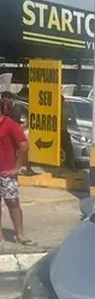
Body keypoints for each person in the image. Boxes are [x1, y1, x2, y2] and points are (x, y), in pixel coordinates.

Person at [0, 101, 32, 245]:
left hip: (6, 172)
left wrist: (16, 167)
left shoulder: (9, 124)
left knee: (12, 203)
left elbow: (24, 146)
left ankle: (20, 235)